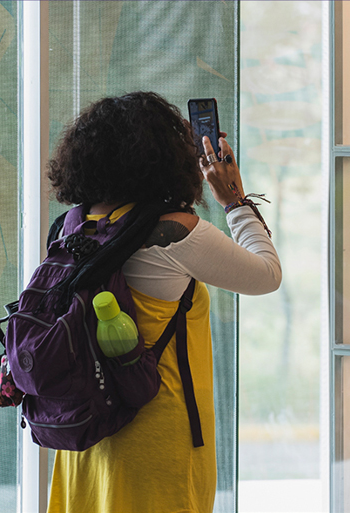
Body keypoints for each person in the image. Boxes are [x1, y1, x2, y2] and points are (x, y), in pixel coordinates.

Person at [45, 91, 281, 513]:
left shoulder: (72, 228)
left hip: (86, 435)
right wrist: (232, 200)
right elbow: (267, 275)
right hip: (155, 442)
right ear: (165, 157)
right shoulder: (176, 232)